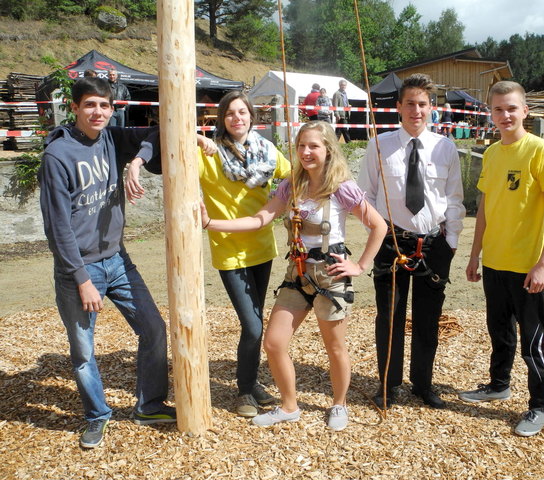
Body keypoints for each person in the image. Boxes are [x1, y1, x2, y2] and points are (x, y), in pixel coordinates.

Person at [38, 77, 205, 449]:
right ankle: (97, 416)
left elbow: (165, 128)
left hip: (117, 259)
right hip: (78, 269)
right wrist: (81, 278)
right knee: (83, 351)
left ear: (113, 109)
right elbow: (57, 228)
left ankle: (148, 405)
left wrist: (137, 163)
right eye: (90, 105)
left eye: (105, 105)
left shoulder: (112, 139)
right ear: (76, 108)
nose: (98, 112)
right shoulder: (58, 156)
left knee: (154, 328)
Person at [201, 121, 386, 430]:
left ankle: (339, 404)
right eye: (301, 146)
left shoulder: (341, 187)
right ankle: (289, 406)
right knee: (274, 342)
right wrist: (211, 224)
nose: (306, 152)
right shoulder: (291, 185)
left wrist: (360, 265)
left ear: (328, 149)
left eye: (313, 146)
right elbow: (261, 219)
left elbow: (378, 226)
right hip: (297, 272)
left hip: (329, 275)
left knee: (335, 346)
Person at [168, 90, 290, 418]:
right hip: (230, 251)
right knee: (252, 326)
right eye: (230, 114)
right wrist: (196, 136)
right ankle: (244, 391)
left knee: (256, 324)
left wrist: (288, 203)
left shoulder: (267, 151)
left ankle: (250, 383)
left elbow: (294, 175)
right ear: (222, 120)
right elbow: (168, 142)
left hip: (263, 248)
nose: (237, 118)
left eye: (242, 112)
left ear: (252, 116)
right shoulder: (208, 154)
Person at [458, 81, 544, 437]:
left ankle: (538, 406)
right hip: (495, 262)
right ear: (490, 113)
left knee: (534, 338)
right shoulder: (491, 154)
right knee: (499, 330)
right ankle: (498, 384)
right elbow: (486, 210)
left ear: (525, 111)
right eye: (498, 109)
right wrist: (475, 255)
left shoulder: (540, 151)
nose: (505, 116)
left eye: (511, 108)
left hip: (527, 265)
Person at [358, 73, 465, 411]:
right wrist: (378, 235)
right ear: (399, 107)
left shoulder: (446, 148)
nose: (416, 110)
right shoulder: (379, 145)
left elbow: (454, 199)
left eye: (422, 104)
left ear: (431, 108)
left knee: (427, 318)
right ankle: (388, 385)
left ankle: (423, 384)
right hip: (391, 242)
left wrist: (451, 241)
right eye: (410, 104)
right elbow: (366, 197)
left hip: (433, 244)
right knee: (389, 317)